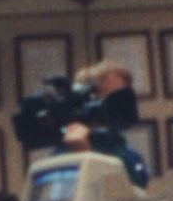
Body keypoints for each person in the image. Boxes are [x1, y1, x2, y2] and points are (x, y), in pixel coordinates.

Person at [61, 59, 149, 188]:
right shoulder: (64, 150)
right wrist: (82, 153)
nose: (118, 105)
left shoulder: (124, 150)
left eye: (121, 97)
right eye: (107, 96)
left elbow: (133, 190)